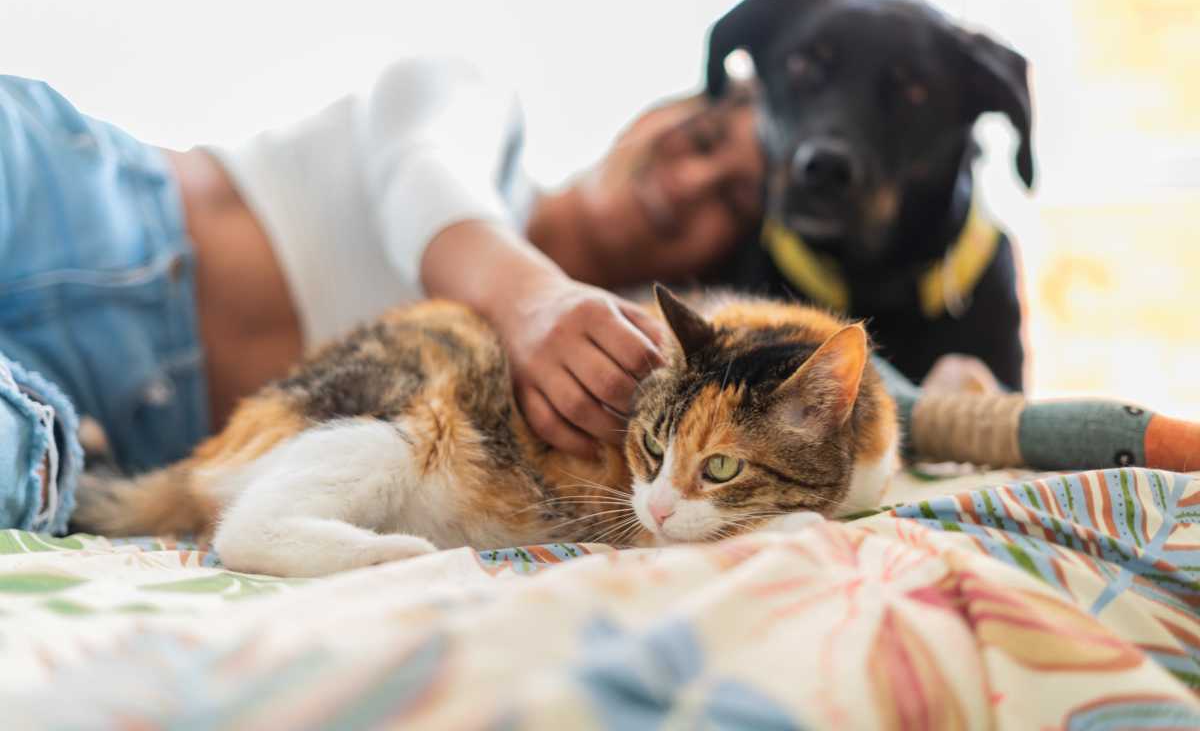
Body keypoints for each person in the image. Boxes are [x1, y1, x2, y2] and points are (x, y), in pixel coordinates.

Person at [0, 59, 764, 533]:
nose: (691, 181)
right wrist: (534, 302)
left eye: (732, 200)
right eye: (702, 138)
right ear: (650, 113)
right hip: (59, 194)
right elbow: (422, 172)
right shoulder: (478, 115)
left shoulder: (637, 395)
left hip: (65, 408)